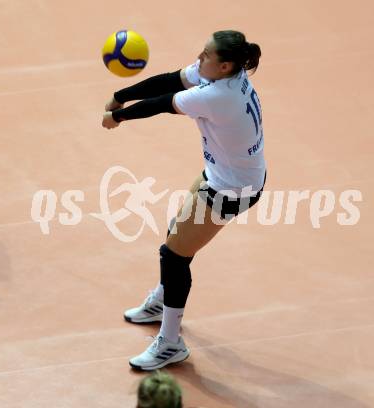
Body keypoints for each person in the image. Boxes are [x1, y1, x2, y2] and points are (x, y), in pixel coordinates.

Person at [102, 30, 267, 370]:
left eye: (205, 55)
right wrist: (120, 95)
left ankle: (171, 343)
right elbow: (171, 80)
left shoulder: (218, 95)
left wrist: (117, 116)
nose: (199, 58)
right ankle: (163, 300)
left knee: (174, 256)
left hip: (232, 188)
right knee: (177, 234)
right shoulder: (226, 75)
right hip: (222, 174)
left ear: (223, 65)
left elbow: (163, 103)